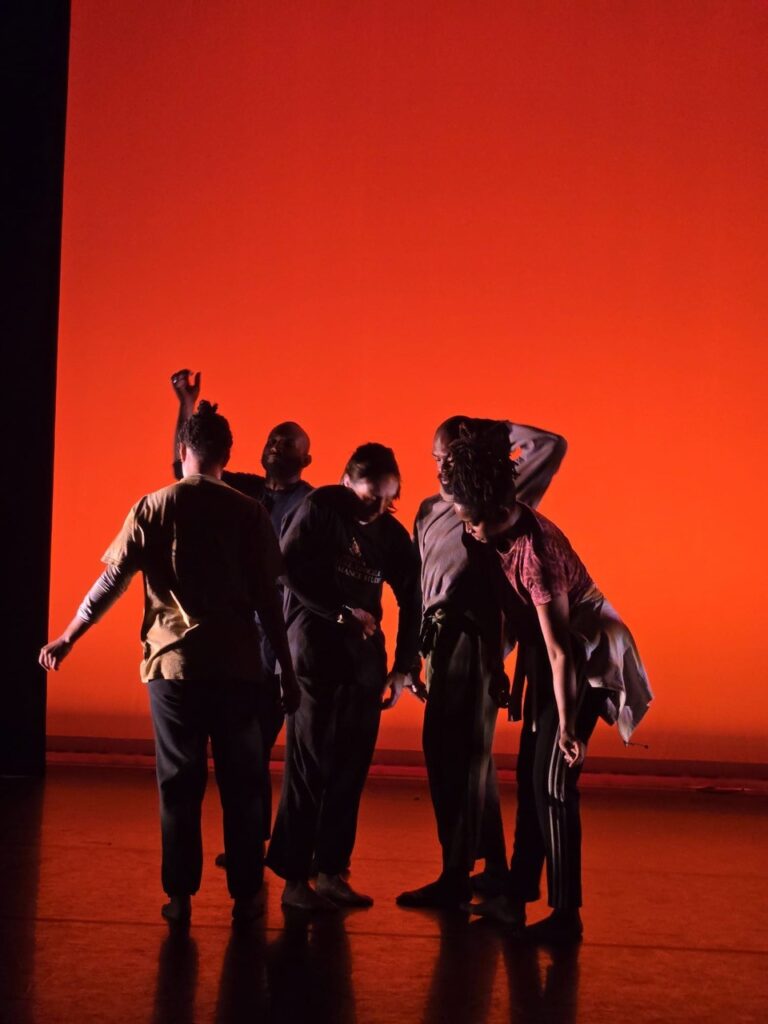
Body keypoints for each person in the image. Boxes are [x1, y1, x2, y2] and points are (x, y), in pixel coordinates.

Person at [40, 401, 301, 925]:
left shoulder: (154, 506)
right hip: (236, 669)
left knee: (179, 785)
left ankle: (180, 898)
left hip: (172, 668)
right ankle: (246, 893)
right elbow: (269, 601)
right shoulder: (249, 513)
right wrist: (287, 672)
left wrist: (68, 636)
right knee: (244, 784)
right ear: (227, 455)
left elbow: (111, 581)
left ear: (183, 452)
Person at [444, 425, 652, 943]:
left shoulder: (535, 552)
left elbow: (561, 649)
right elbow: (506, 614)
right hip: (548, 651)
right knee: (531, 778)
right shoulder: (486, 536)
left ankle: (566, 917)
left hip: (584, 651)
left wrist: (565, 726)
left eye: (467, 519)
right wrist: (501, 667)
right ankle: (515, 899)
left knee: (555, 782)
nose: (463, 529)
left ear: (490, 509)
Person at [397, 416, 567, 909]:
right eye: (436, 459)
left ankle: (456, 873)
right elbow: (421, 585)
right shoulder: (430, 509)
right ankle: (489, 865)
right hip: (440, 637)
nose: (441, 467)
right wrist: (414, 657)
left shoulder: (496, 492)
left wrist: (491, 431)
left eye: (449, 456)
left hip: (476, 631)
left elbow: (550, 445)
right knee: (461, 756)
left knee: (464, 753)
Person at [266, 443, 421, 910]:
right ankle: (295, 881)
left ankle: (331, 871)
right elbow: (286, 570)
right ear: (346, 481)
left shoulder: (390, 535)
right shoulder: (320, 509)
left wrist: (402, 668)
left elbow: (412, 597)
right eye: (369, 496)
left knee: (350, 770)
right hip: (313, 654)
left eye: (388, 499)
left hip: (363, 663)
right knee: (310, 766)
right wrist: (339, 614)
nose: (376, 508)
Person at [170, 369, 313, 848]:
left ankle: (253, 852)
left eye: (287, 442)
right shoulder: (243, 490)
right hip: (238, 642)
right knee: (240, 757)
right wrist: (187, 406)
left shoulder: (310, 504)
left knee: (253, 757)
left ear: (305, 458)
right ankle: (245, 852)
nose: (276, 444)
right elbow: (187, 470)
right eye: (274, 438)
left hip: (276, 643)